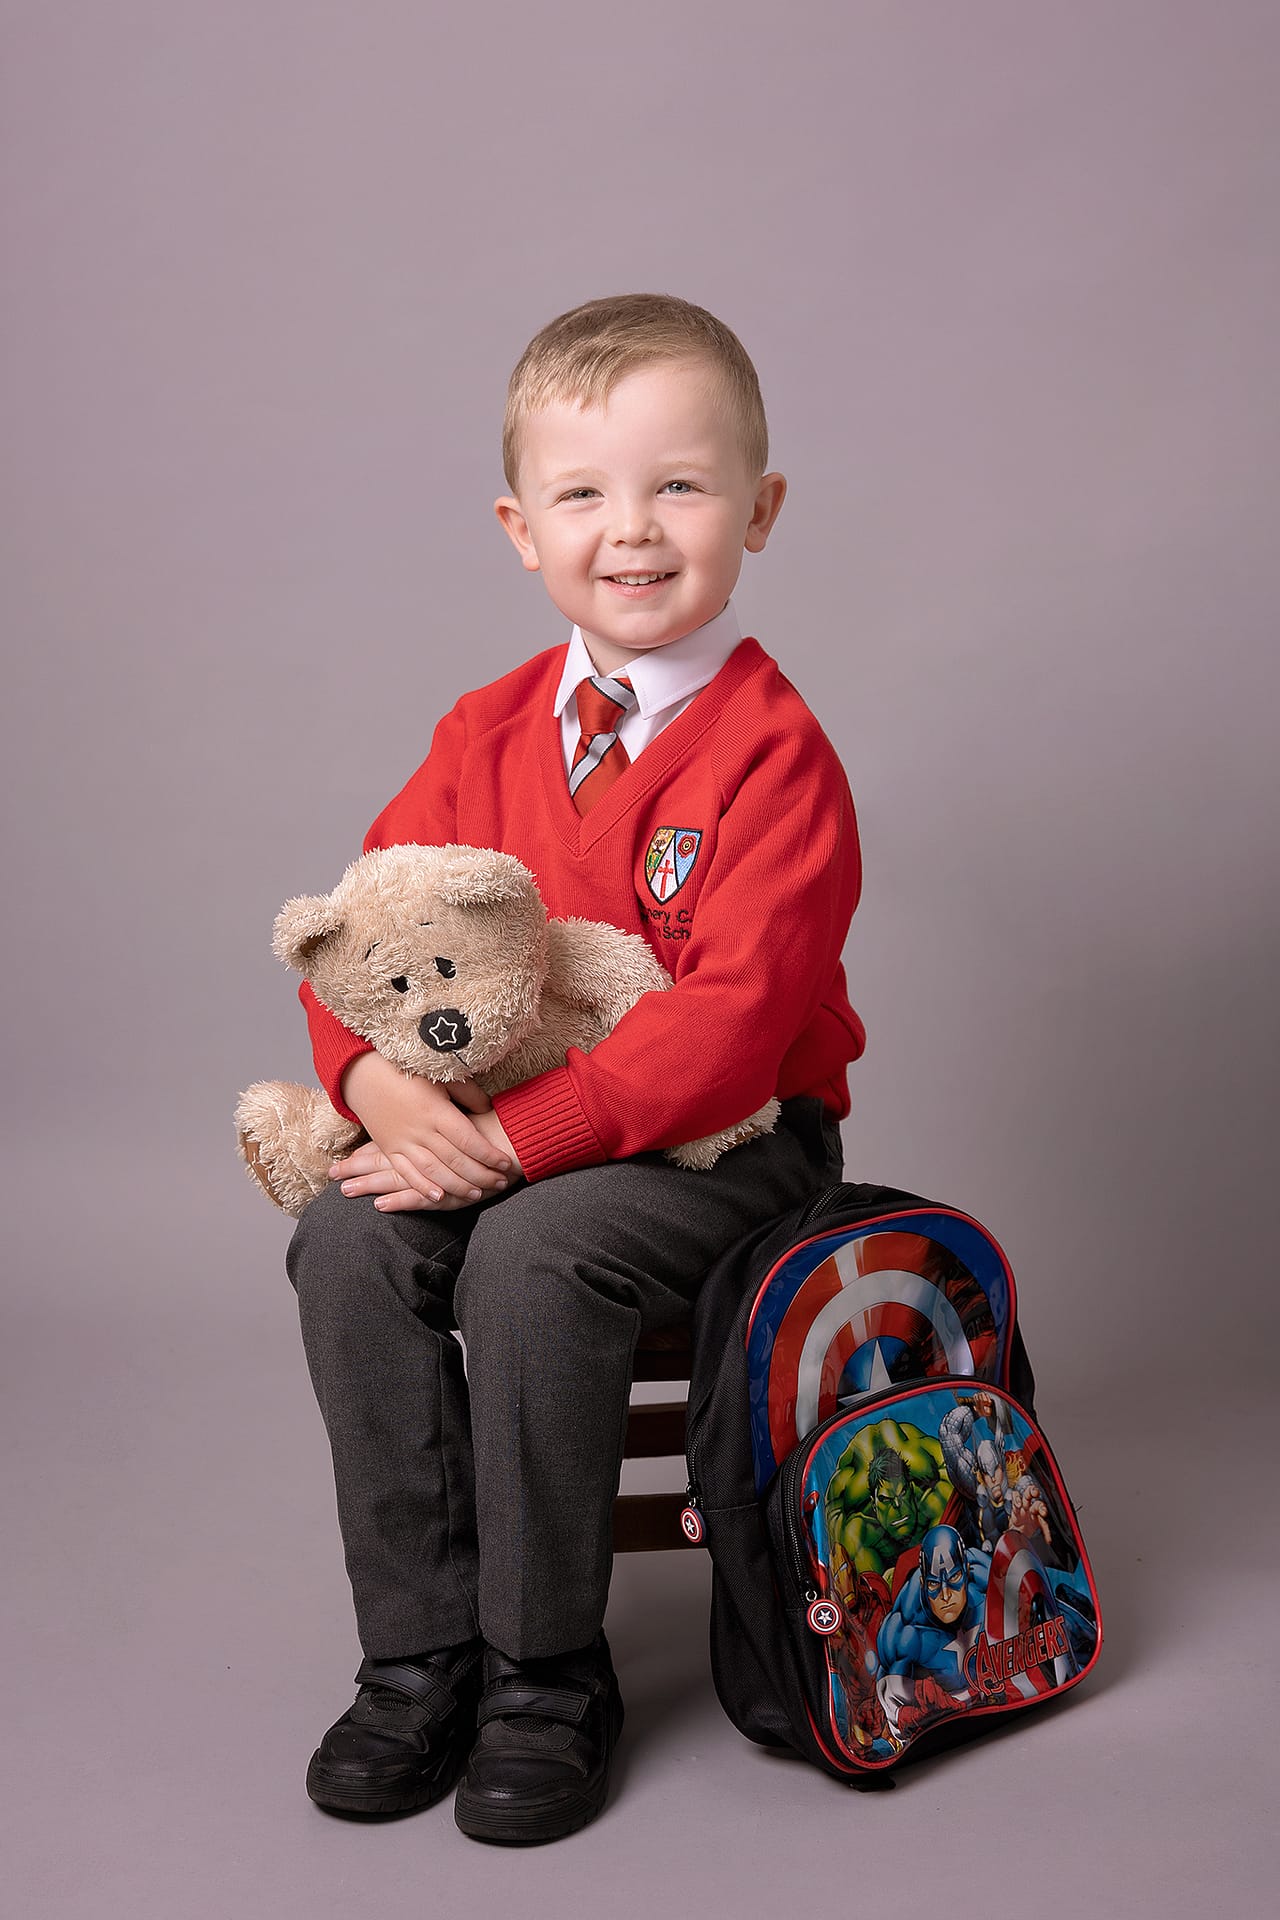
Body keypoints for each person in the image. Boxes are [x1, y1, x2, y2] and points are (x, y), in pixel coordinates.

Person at [286, 292, 865, 1844]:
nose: (634, 530)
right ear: (518, 528)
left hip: (729, 1145)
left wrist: (527, 1137)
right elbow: (365, 929)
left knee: (534, 1259)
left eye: (681, 485)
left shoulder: (772, 750)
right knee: (345, 1233)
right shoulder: (481, 732)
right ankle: (418, 1655)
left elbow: (733, 1019)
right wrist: (372, 1088)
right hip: (502, 1128)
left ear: (762, 509)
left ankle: (546, 1670)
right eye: (584, 494)